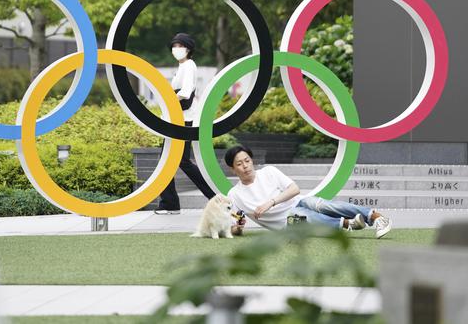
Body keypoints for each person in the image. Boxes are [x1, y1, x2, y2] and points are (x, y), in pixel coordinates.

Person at [224, 145, 392, 238]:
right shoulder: (234, 195)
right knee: (299, 215)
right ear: (232, 169)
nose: (245, 166)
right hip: (287, 225)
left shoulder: (269, 171)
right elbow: (236, 226)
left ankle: (375, 217)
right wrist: (238, 228)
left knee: (320, 204)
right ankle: (348, 223)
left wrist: (271, 202)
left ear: (252, 161)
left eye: (247, 160)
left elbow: (294, 189)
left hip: (298, 201)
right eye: (239, 164)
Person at [154, 33, 216, 215]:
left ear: (188, 49)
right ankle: (171, 202)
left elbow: (186, 92)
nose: (176, 49)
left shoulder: (188, 66)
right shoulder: (183, 67)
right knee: (175, 161)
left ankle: (211, 197)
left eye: (180, 45)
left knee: (175, 161)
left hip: (183, 119)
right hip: (178, 118)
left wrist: (169, 98)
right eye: (174, 45)